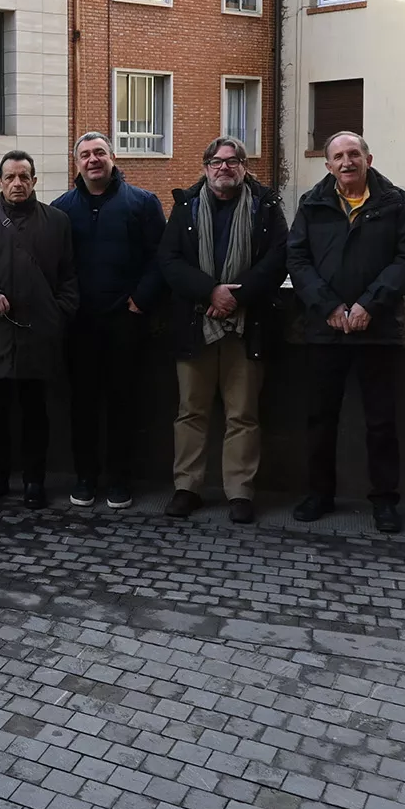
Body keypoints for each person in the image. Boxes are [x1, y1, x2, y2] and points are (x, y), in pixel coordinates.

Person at [287, 131, 405, 533]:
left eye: (354, 154)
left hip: (377, 327)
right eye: (338, 157)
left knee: (381, 421)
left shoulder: (396, 203)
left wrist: (370, 302)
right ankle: (319, 494)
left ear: (369, 158)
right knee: (320, 418)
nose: (347, 162)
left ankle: (384, 501)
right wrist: (327, 305)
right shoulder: (312, 204)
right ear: (328, 165)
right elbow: (297, 259)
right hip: (324, 328)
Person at [157, 137, 289, 524]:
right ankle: (187, 488)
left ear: (244, 167)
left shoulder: (266, 208)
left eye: (232, 162)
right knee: (190, 412)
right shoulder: (185, 207)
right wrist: (209, 291)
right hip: (195, 324)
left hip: (247, 325)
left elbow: (278, 260)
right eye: (216, 162)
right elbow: (169, 259)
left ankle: (240, 492)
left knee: (243, 414)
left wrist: (237, 297)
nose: (224, 168)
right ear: (205, 167)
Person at [0, 151, 79, 508]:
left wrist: (58, 314)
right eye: (10, 177)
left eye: (24, 177)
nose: (17, 183)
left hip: (39, 335)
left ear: (34, 181)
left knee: (35, 414)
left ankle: (35, 482)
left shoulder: (57, 221)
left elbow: (69, 277)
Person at [52, 132, 165, 509]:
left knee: (123, 404)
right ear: (76, 163)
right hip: (79, 324)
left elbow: (160, 258)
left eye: (99, 152)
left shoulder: (143, 203)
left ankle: (120, 480)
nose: (92, 159)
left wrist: (140, 301)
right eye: (85, 155)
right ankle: (85, 478)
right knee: (81, 406)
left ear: (113, 158)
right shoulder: (61, 208)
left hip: (125, 321)